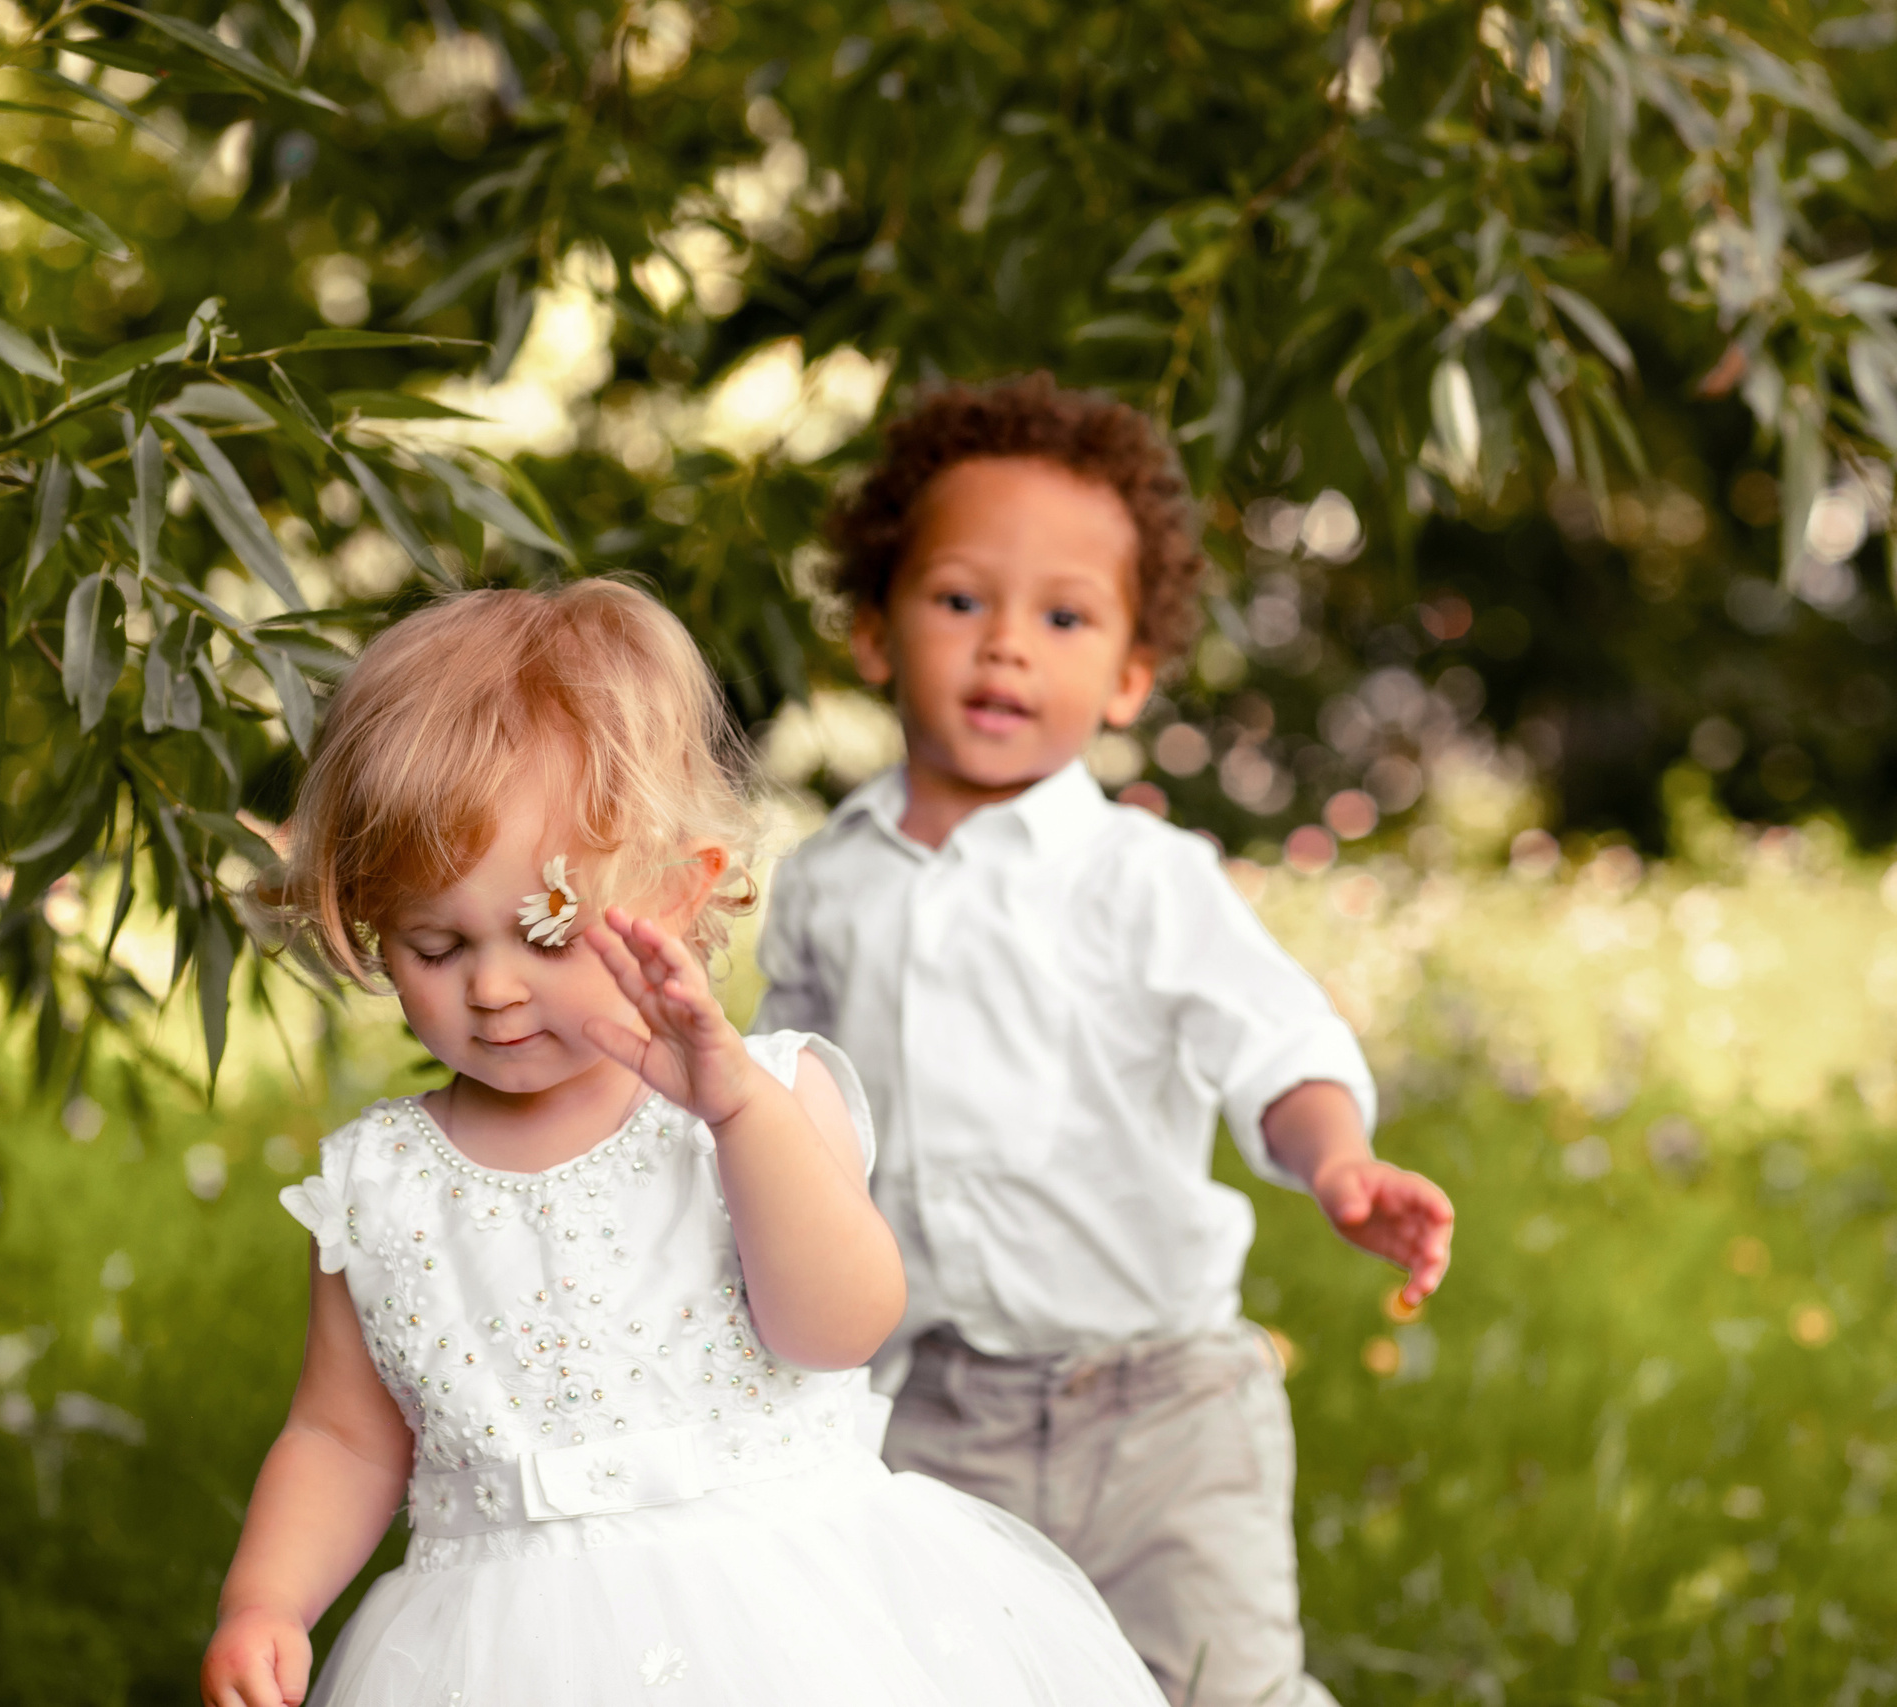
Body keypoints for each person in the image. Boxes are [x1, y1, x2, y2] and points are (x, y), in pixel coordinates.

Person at [200, 581, 1167, 1707]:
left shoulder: (761, 1100)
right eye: (433, 943)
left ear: (674, 891)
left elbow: (837, 1328)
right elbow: (343, 1438)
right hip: (503, 1649)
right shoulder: (382, 1185)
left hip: (788, 1617)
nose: (495, 987)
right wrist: (265, 1601)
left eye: (543, 932)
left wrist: (737, 1116)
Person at [755, 375, 1457, 1707]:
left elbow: (1274, 1034)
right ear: (871, 628)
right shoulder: (825, 881)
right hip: (924, 1403)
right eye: (960, 599)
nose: (1005, 645)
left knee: (1220, 1687)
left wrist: (1339, 1160)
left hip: (1162, 1411)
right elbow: (782, 1104)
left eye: (1063, 615)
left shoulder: (1145, 875)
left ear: (1131, 673)